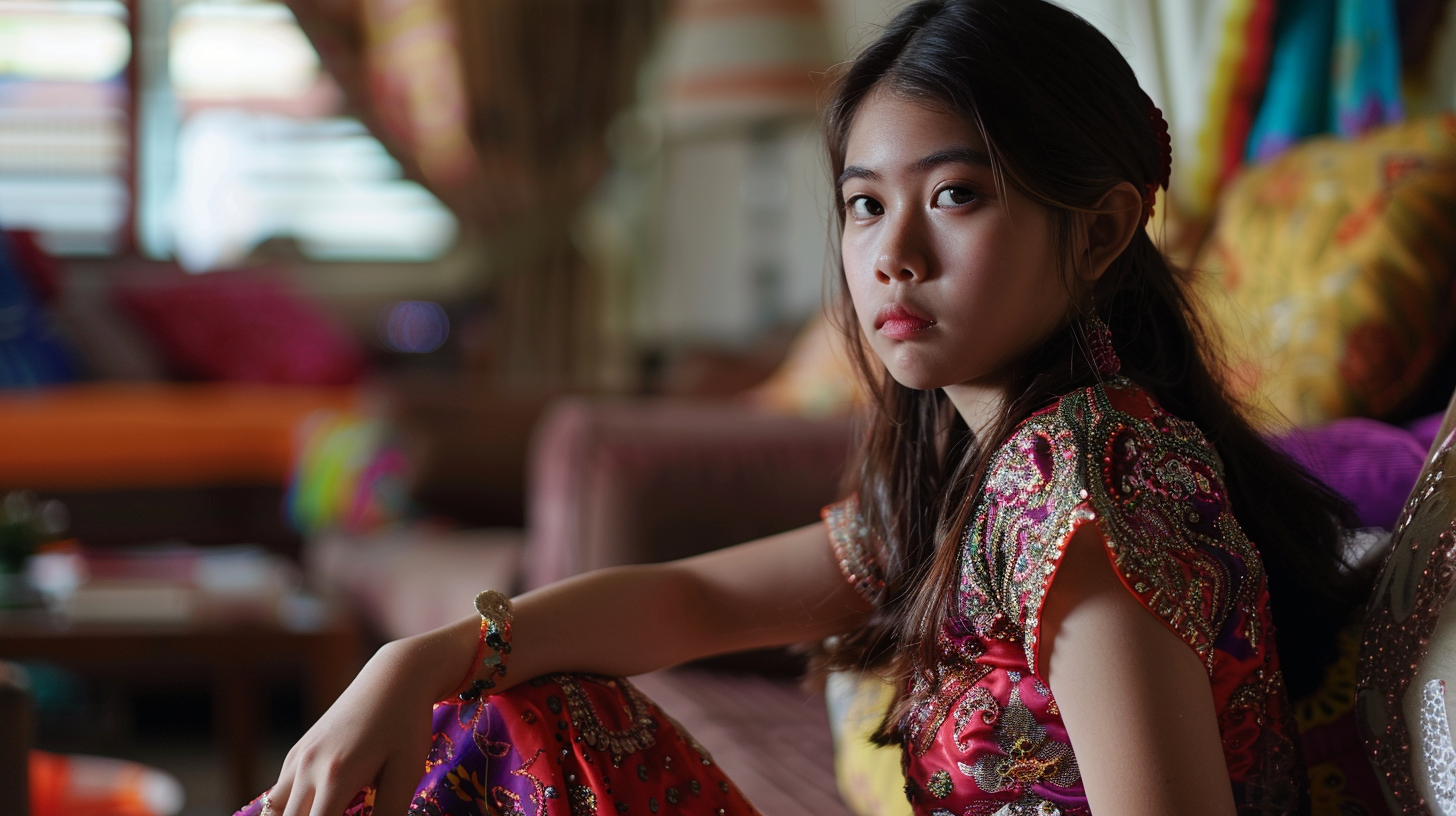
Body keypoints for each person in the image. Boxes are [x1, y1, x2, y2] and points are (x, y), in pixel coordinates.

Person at [239, 1, 1371, 814]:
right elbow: (690, 601)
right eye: (865, 205)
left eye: (956, 196)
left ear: (1100, 229)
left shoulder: (1083, 488)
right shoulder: (977, 468)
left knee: (509, 733)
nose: (894, 255)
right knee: (524, 706)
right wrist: (421, 658)